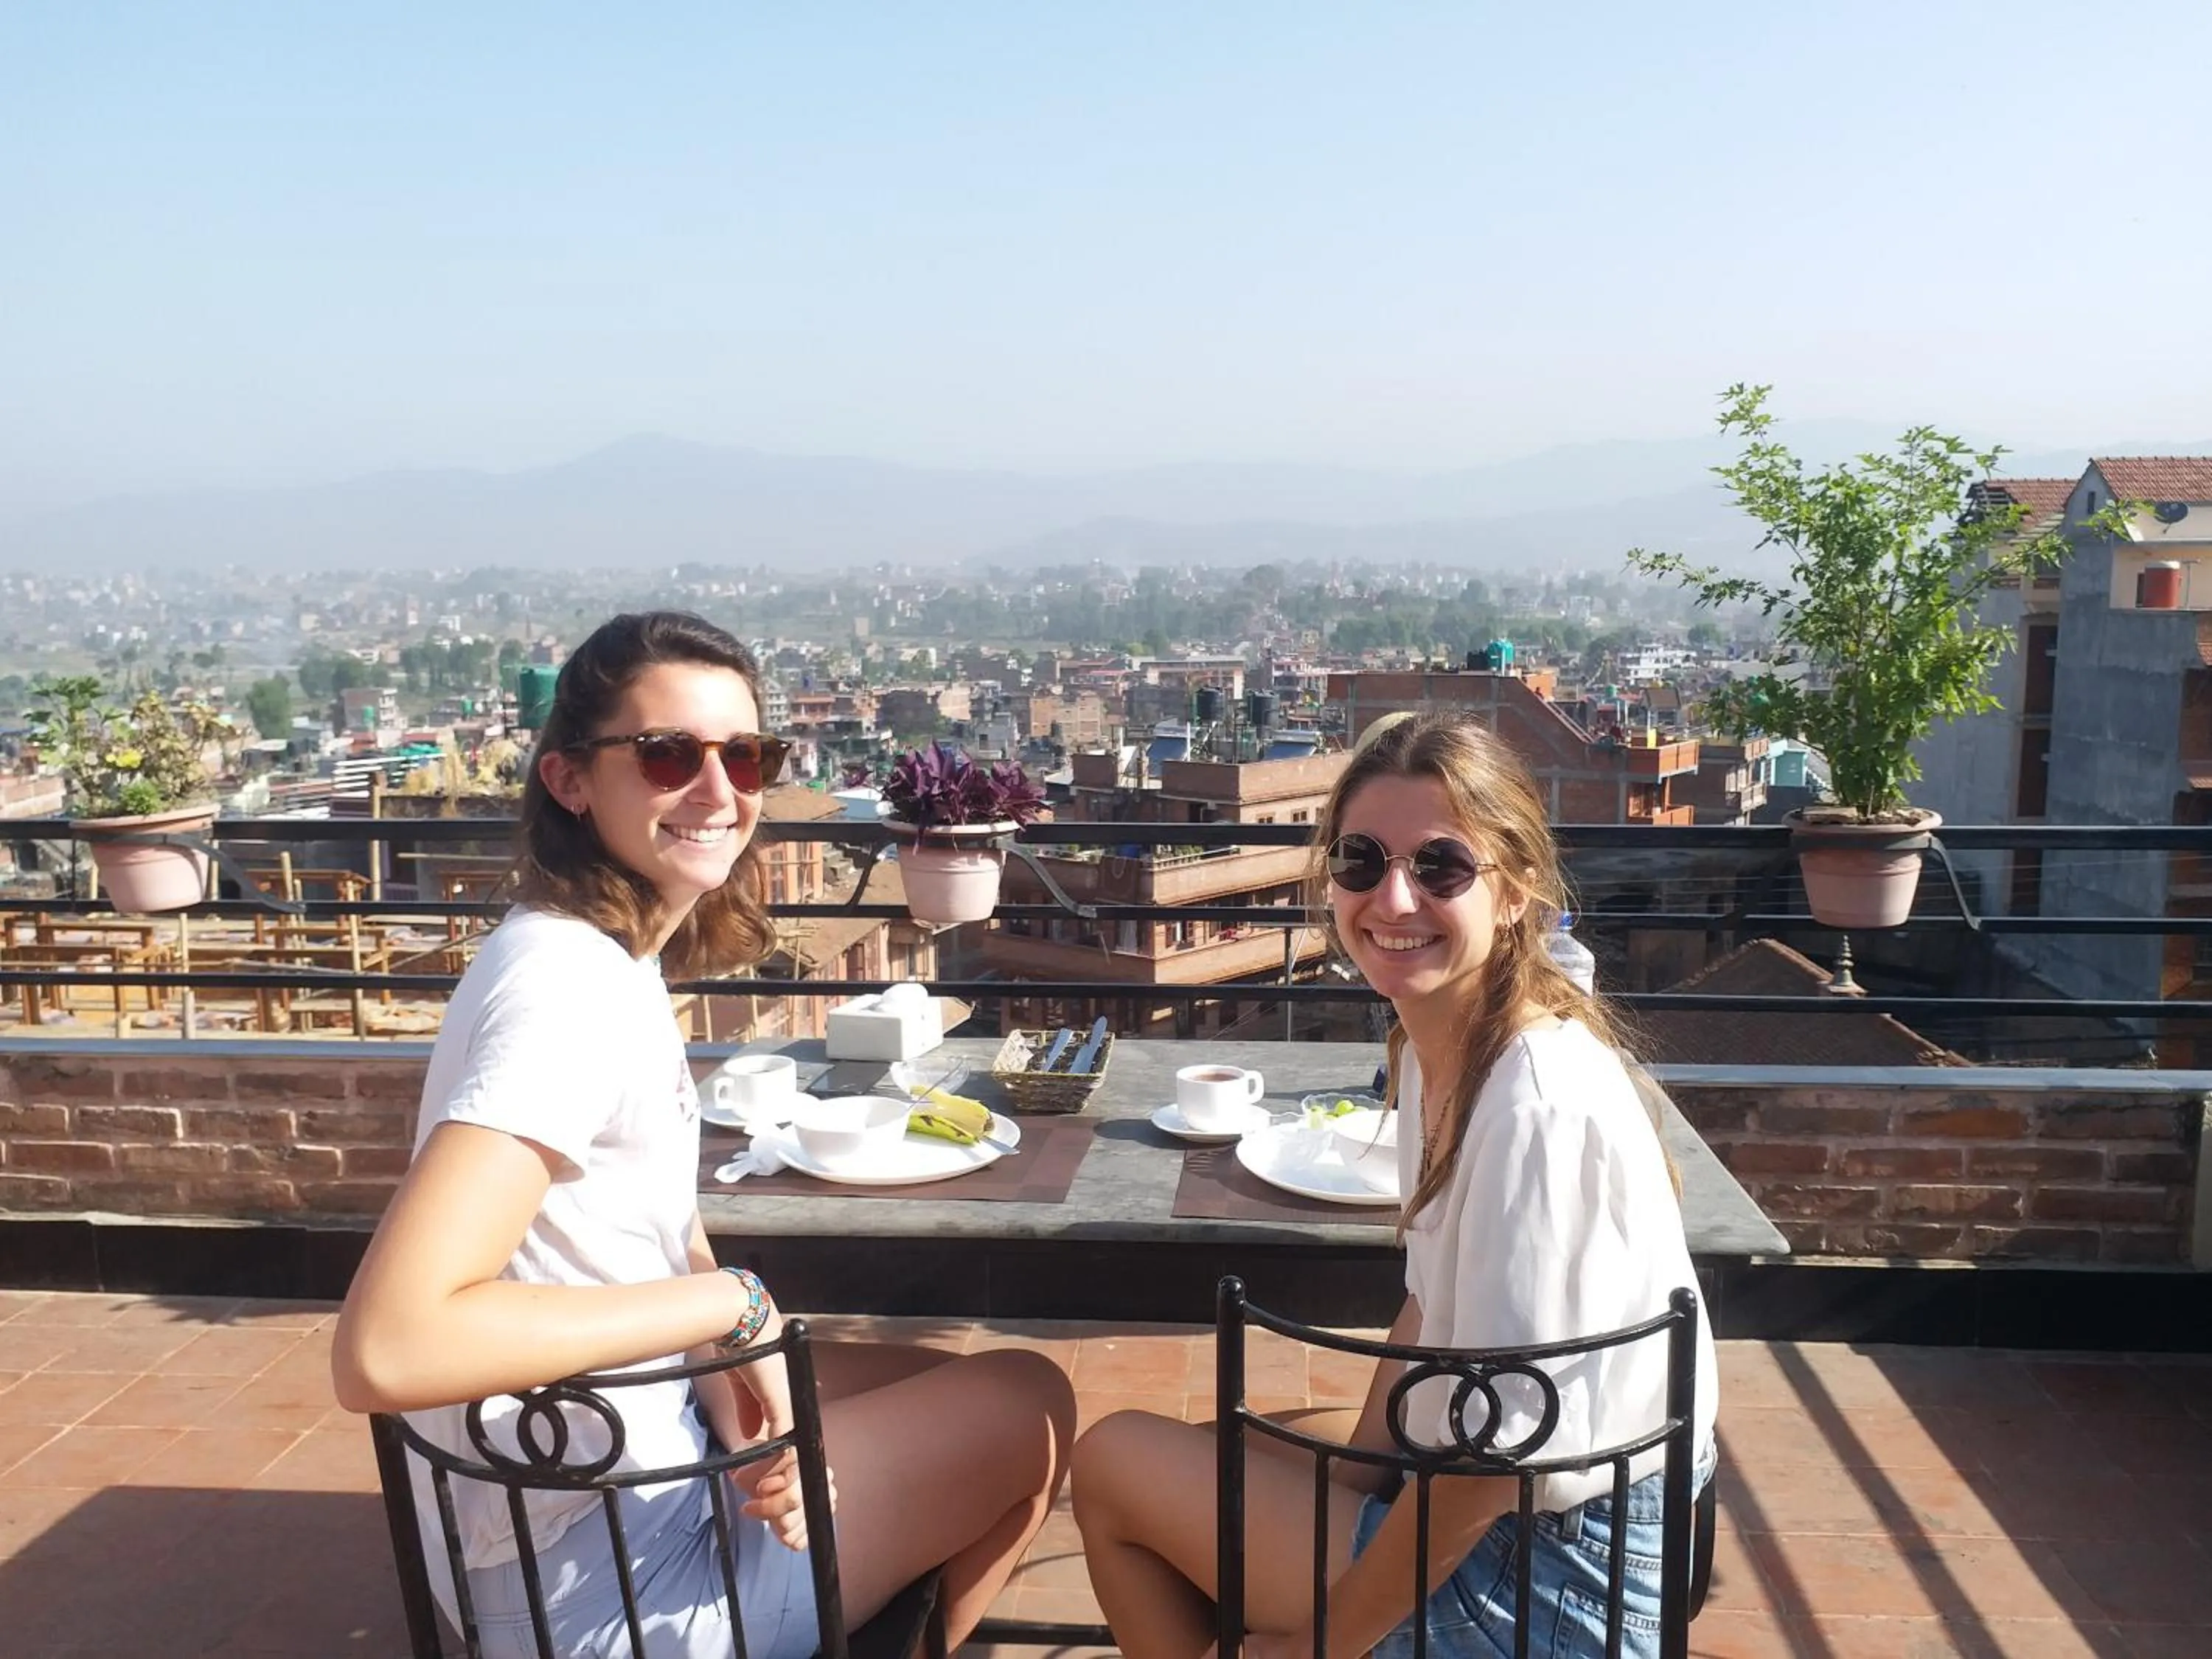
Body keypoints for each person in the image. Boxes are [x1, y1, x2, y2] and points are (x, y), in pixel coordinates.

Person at [333, 611, 1074, 1659]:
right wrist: (732, 1304)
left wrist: (734, 1359)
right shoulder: (566, 992)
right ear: (571, 780)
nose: (718, 790)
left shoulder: (592, 954)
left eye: (747, 754)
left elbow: (656, 1232)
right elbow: (387, 1346)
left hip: (572, 1504)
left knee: (901, 1374)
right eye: (668, 753)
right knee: (1030, 1400)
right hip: (608, 1594)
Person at [1071, 711, 1719, 1659]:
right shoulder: (1443, 1041)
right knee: (1223, 1456)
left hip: (1559, 1577)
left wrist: (1321, 1643)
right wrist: (1361, 1482)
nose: (1394, 899)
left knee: (1115, 1462)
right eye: (1362, 861)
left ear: (1515, 891)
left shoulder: (1532, 1100)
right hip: (1536, 1497)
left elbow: (1490, 1462)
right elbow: (1429, 1308)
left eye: (1442, 866)